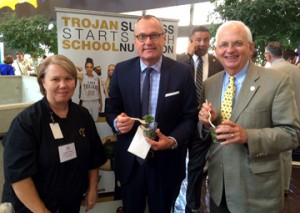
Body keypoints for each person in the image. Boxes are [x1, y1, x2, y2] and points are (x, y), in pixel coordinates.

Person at [198, 21, 300, 213]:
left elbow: (292, 134)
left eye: (237, 43)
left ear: (251, 48)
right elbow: (207, 133)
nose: (230, 50)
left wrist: (247, 136)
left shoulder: (276, 81)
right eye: (223, 45)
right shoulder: (209, 84)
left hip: (257, 193)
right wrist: (205, 122)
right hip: (218, 190)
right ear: (216, 50)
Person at [105, 15, 198, 213]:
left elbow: (190, 117)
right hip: (131, 162)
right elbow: (111, 109)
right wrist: (116, 122)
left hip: (167, 163)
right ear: (135, 41)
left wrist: (172, 140)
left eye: (154, 35)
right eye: (142, 36)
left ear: (164, 39)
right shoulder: (121, 71)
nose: (148, 41)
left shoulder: (182, 72)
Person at [2, 55, 107, 213]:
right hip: (33, 207)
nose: (63, 85)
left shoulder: (82, 115)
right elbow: (19, 177)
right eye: (55, 79)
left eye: (68, 78)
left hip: (70, 202)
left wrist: (93, 188)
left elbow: (93, 156)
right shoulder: (27, 122)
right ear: (43, 82)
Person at [176, 26, 223, 213]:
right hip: (181, 121)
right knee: (178, 166)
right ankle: (173, 201)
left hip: (203, 124)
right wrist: (187, 57)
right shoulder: (180, 60)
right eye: (198, 40)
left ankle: (192, 206)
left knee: (195, 167)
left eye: (206, 39)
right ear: (191, 41)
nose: (202, 43)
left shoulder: (217, 62)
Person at [265, 41, 300, 196]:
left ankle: (277, 187)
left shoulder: (269, 72)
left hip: (276, 118)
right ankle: (285, 186)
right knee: (288, 153)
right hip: (296, 116)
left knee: (277, 154)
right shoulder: (296, 69)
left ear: (267, 55)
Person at [77, 57, 103, 121]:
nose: (89, 68)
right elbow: (70, 72)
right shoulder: (82, 76)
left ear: (93, 68)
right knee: (85, 121)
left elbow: (99, 92)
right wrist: (76, 67)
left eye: (91, 67)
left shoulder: (97, 78)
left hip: (95, 102)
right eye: (87, 67)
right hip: (85, 102)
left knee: (94, 122)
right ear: (85, 68)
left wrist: (101, 104)